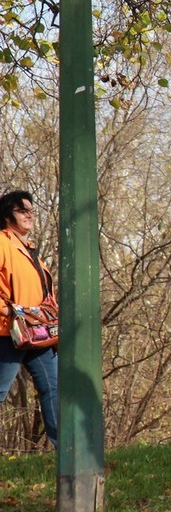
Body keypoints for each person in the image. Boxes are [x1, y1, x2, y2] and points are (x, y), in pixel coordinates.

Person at [0, 191, 59, 448]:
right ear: (6, 215)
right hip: (8, 334)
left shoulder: (30, 249)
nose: (29, 214)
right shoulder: (2, 243)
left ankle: (64, 450)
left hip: (38, 334)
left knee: (52, 389)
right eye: (22, 210)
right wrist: (8, 312)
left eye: (31, 210)